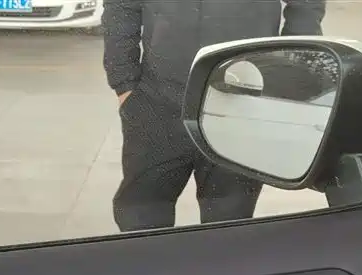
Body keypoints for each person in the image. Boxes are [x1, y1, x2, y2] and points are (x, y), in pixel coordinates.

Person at [103, 0, 326, 231]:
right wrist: (124, 81)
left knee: (229, 220)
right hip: (157, 102)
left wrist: (290, 67)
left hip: (242, 104)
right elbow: (121, 5)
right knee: (142, 216)